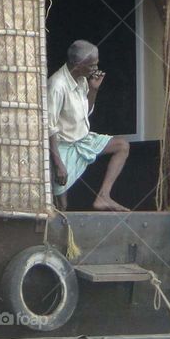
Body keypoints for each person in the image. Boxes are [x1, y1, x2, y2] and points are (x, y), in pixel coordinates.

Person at [47, 40, 129, 211]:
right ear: (78, 65)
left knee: (122, 146)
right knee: (61, 205)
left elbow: (87, 112)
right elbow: (49, 126)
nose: (96, 68)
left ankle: (103, 196)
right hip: (63, 147)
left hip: (83, 140)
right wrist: (58, 163)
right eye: (92, 65)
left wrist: (93, 89)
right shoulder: (57, 85)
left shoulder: (82, 80)